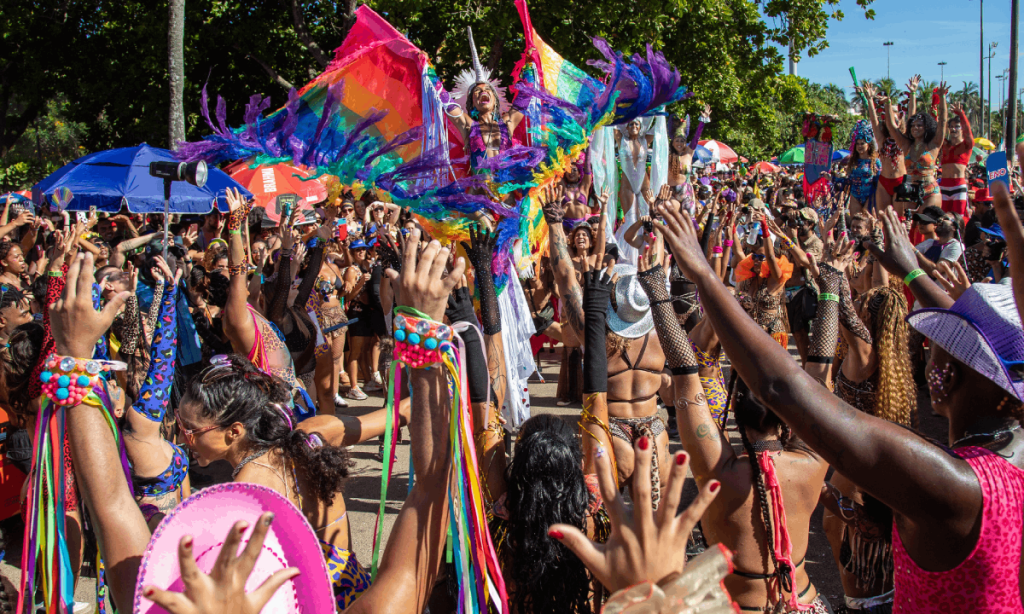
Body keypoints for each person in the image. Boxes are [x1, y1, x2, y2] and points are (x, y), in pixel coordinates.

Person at [655, 200, 1024, 614]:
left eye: (936, 346)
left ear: (951, 375)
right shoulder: (1011, 458)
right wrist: (910, 273)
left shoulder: (955, 486)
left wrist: (704, 276)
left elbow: (783, 386)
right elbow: (815, 371)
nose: (926, 356)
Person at [884, 84, 948, 211]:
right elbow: (891, 126)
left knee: (927, 224)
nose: (915, 128)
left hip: (930, 191)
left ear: (927, 127)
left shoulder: (933, 145)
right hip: (910, 192)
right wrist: (887, 104)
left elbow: (943, 122)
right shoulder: (906, 145)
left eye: (919, 125)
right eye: (913, 126)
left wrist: (942, 97)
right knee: (911, 228)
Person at [667, 105, 711, 213]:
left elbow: (696, 138)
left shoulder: (688, 153)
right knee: (674, 220)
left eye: (682, 141)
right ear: (672, 142)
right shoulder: (668, 156)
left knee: (689, 221)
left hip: (687, 193)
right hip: (672, 193)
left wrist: (702, 121)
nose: (679, 143)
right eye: (677, 140)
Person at [938, 103, 975, 215]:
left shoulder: (966, 145)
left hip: (959, 186)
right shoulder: (944, 145)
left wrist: (961, 114)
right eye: (951, 127)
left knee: (958, 220)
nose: (953, 129)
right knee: (943, 220)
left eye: (957, 126)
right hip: (943, 186)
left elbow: (968, 133)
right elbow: (937, 131)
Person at [846, 120, 881, 214]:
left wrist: (875, 198)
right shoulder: (852, 161)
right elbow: (848, 180)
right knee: (855, 223)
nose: (859, 146)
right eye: (857, 144)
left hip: (870, 196)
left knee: (867, 223)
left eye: (862, 143)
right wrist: (833, 177)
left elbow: (879, 182)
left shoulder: (875, 162)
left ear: (868, 145)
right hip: (854, 196)